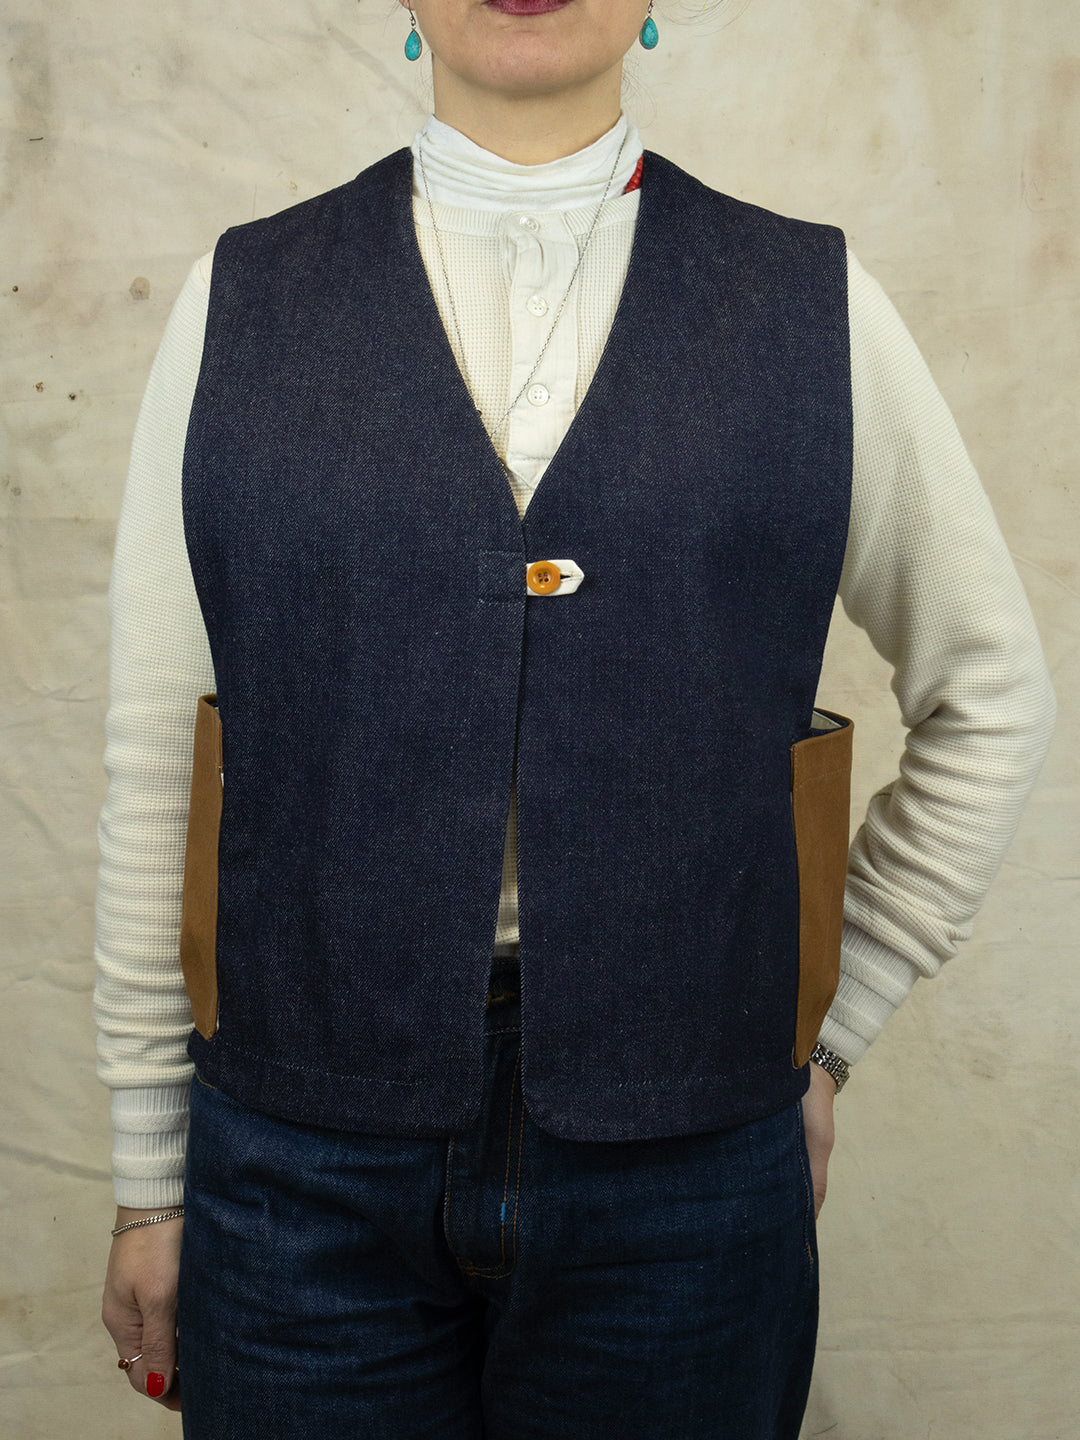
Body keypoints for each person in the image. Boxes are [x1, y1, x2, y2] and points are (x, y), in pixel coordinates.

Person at [96, 2, 1055, 1436]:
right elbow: (157, 757)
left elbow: (991, 694)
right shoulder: (240, 299)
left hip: (688, 1171)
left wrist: (829, 1028)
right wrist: (149, 1175)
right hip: (298, 1168)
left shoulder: (814, 303)